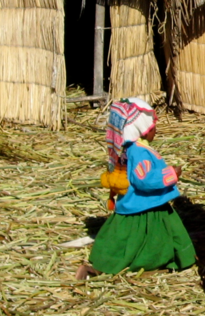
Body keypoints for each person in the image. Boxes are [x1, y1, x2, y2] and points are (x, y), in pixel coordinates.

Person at [75, 97, 196, 280]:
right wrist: (172, 174)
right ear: (144, 131)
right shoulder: (140, 152)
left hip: (130, 204)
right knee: (153, 237)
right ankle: (149, 264)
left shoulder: (126, 149)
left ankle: (107, 264)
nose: (156, 131)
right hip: (147, 205)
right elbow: (144, 179)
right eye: (153, 127)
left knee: (123, 239)